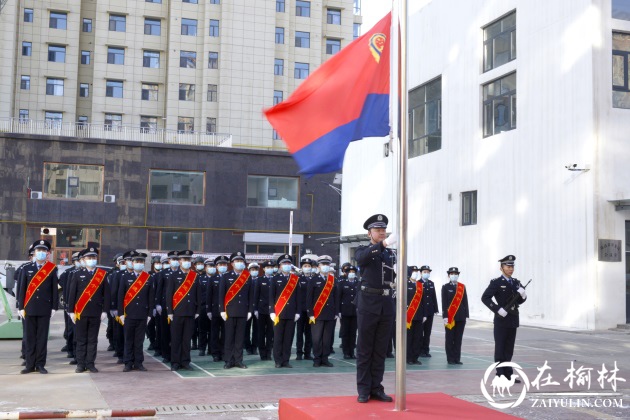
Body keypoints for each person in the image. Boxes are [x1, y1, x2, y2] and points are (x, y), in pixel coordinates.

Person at [354, 214, 396, 403]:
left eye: (383, 230)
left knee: (380, 350)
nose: (382, 232)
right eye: (378, 230)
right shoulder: (364, 250)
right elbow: (362, 259)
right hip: (368, 303)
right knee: (365, 349)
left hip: (386, 303)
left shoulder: (390, 253)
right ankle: (363, 389)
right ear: (369, 233)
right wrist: (383, 245)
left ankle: (376, 387)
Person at [481, 255, 527, 383]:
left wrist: (523, 296)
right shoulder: (496, 283)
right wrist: (497, 309)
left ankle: (508, 373)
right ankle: (500, 374)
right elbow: (485, 298)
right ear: (501, 268)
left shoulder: (516, 282)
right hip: (501, 320)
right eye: (508, 266)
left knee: (509, 349)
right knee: (500, 348)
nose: (511, 269)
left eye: (512, 266)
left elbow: (520, 300)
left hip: (513, 319)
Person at [18, 240, 59, 374]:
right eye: (38, 250)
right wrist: (20, 307)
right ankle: (30, 365)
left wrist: (54, 306)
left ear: (47, 253)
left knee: (42, 338)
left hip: (44, 308)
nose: (41, 253)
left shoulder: (52, 269)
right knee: (29, 337)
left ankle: (40, 364)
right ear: (34, 253)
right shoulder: (26, 268)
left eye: (43, 251)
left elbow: (54, 289)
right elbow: (21, 289)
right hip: (29, 307)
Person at [67, 247, 110, 373]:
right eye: (89, 258)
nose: (91, 260)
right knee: (80, 339)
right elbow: (72, 294)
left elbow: (106, 294)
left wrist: (105, 311)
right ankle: (80, 364)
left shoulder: (101, 274)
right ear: (83, 260)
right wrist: (71, 311)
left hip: (96, 312)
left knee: (92, 339)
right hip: (81, 312)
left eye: (93, 258)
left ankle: (90, 363)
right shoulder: (77, 274)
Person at [118, 252, 155, 372]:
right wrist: (121, 313)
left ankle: (139, 362)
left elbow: (151, 298)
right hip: (129, 314)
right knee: (128, 339)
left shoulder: (148, 278)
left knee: (139, 340)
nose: (139, 264)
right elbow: (120, 297)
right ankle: (128, 362)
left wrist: (149, 314)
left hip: (142, 314)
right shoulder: (125, 277)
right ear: (132, 263)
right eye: (136, 262)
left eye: (141, 262)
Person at [166, 250, 201, 371]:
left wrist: (197, 311)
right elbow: (169, 295)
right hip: (177, 313)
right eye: (184, 259)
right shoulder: (173, 276)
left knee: (187, 339)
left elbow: (198, 295)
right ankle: (175, 362)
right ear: (180, 261)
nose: (187, 262)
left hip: (190, 312)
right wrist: (170, 311)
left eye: (188, 260)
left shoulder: (194, 276)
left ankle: (185, 361)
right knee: (176, 338)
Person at [219, 251, 253, 369]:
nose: (239, 263)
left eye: (241, 261)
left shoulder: (247, 277)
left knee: (240, 338)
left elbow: (251, 295)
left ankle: (238, 360)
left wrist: (250, 310)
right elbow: (221, 295)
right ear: (232, 263)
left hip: (243, 311)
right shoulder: (226, 276)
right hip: (229, 311)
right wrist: (222, 310)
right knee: (229, 337)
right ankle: (228, 360)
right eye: (237, 261)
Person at [306, 255, 338, 368]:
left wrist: (336, 312)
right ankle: (317, 359)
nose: (325, 266)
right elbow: (309, 298)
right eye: (323, 264)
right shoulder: (313, 280)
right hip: (317, 313)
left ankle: (325, 359)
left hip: (330, 313)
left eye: (327, 265)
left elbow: (336, 297)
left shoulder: (333, 280)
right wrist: (310, 313)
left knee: (327, 338)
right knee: (316, 338)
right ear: (318, 266)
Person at [270, 254, 301, 368]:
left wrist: (298, 312)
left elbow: (298, 297)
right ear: (280, 266)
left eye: (288, 263)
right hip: (278, 313)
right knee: (278, 338)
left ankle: (286, 360)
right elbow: (271, 297)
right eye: (284, 264)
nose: (287, 265)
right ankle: (278, 360)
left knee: (288, 338)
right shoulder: (275, 279)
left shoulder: (295, 280)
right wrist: (272, 311)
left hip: (291, 313)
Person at [441, 267, 469, 365]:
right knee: (449, 338)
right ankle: (450, 359)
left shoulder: (462, 287)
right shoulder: (445, 287)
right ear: (449, 275)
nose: (454, 275)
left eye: (456, 274)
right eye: (452, 274)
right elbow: (444, 302)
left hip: (461, 317)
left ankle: (457, 358)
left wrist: (466, 315)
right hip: (450, 317)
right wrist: (445, 316)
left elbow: (465, 301)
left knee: (458, 338)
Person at [207, 255, 228, 362]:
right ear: (216, 266)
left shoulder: (230, 278)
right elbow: (209, 296)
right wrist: (209, 310)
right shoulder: (212, 279)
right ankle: (215, 353)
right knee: (214, 332)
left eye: (224, 264)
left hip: (227, 310)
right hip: (215, 310)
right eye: (220, 264)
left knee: (225, 332)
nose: (222, 266)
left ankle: (224, 352)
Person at [295, 257, 315, 360]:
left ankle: (308, 353)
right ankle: (299, 353)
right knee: (299, 333)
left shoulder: (314, 279)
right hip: (301, 310)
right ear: (302, 268)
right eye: (305, 266)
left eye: (309, 266)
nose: (307, 268)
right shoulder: (298, 279)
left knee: (309, 333)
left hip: (310, 310)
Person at [254, 260, 274, 361]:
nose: (270, 269)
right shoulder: (260, 280)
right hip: (261, 310)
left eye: (271, 267)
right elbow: (256, 295)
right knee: (261, 333)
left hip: (272, 311)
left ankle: (269, 353)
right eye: (268, 267)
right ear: (264, 269)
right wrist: (255, 309)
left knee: (270, 333)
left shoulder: (275, 280)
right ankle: (262, 353)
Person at [418, 265, 439, 358]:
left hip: (430, 311)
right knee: (419, 331)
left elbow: (433, 297)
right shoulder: (418, 283)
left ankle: (426, 349)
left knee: (427, 332)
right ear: (421, 273)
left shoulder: (431, 283)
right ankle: (419, 350)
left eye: (428, 272)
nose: (426, 273)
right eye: (424, 272)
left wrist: (436, 309)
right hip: (421, 312)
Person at [405, 265, 424, 365]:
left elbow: (423, 301)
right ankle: (408, 357)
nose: (415, 273)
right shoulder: (404, 285)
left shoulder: (420, 285)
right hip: (408, 316)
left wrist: (424, 314)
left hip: (419, 315)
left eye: (417, 271)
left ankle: (415, 357)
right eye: (413, 271)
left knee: (418, 338)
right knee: (409, 338)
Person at [339, 265, 358, 359]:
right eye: (350, 272)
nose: (351, 274)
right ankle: (346, 352)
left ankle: (352, 351)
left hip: (355, 312)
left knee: (353, 333)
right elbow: (339, 297)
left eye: (353, 272)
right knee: (345, 332)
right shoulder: (342, 283)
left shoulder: (358, 283)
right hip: (345, 311)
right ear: (346, 274)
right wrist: (338, 311)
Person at [196, 259, 212, 356]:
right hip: (202, 307)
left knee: (212, 330)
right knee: (202, 330)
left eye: (212, 266)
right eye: (209, 266)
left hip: (213, 308)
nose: (211, 268)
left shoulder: (217, 278)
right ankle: (202, 348)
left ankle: (211, 348)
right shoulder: (200, 278)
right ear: (206, 268)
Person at [244, 262, 259, 356]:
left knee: (257, 330)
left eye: (256, 269)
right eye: (252, 270)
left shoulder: (260, 280)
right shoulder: (245, 280)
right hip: (247, 308)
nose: (254, 271)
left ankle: (254, 347)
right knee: (246, 329)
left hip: (257, 308)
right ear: (249, 271)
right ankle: (248, 347)